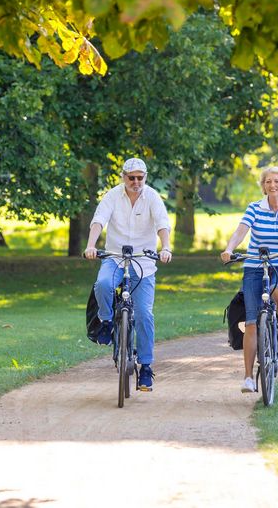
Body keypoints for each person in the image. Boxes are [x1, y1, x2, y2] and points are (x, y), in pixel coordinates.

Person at [84, 158, 172, 391]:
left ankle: (145, 367)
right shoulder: (112, 195)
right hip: (114, 257)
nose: (136, 182)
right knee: (103, 284)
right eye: (131, 177)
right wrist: (91, 245)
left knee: (144, 315)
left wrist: (166, 247)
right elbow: (99, 220)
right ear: (123, 177)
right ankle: (105, 321)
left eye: (140, 178)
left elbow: (163, 223)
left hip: (144, 262)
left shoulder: (152, 196)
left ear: (145, 178)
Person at [220, 166, 278, 393]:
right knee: (251, 322)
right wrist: (230, 249)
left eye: (277, 182)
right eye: (268, 182)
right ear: (264, 186)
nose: (272, 185)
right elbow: (242, 230)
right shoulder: (254, 208)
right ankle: (249, 378)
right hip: (254, 265)